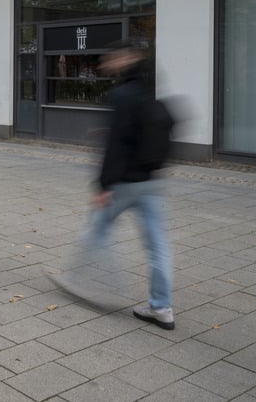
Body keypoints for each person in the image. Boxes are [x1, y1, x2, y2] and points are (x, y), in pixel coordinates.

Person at [53, 41, 174, 330]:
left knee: (97, 228)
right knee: (158, 245)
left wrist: (104, 185)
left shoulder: (122, 95)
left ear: (125, 59)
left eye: (111, 59)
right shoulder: (151, 92)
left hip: (123, 182)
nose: (106, 64)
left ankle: (93, 284)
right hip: (151, 180)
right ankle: (162, 307)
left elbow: (115, 145)